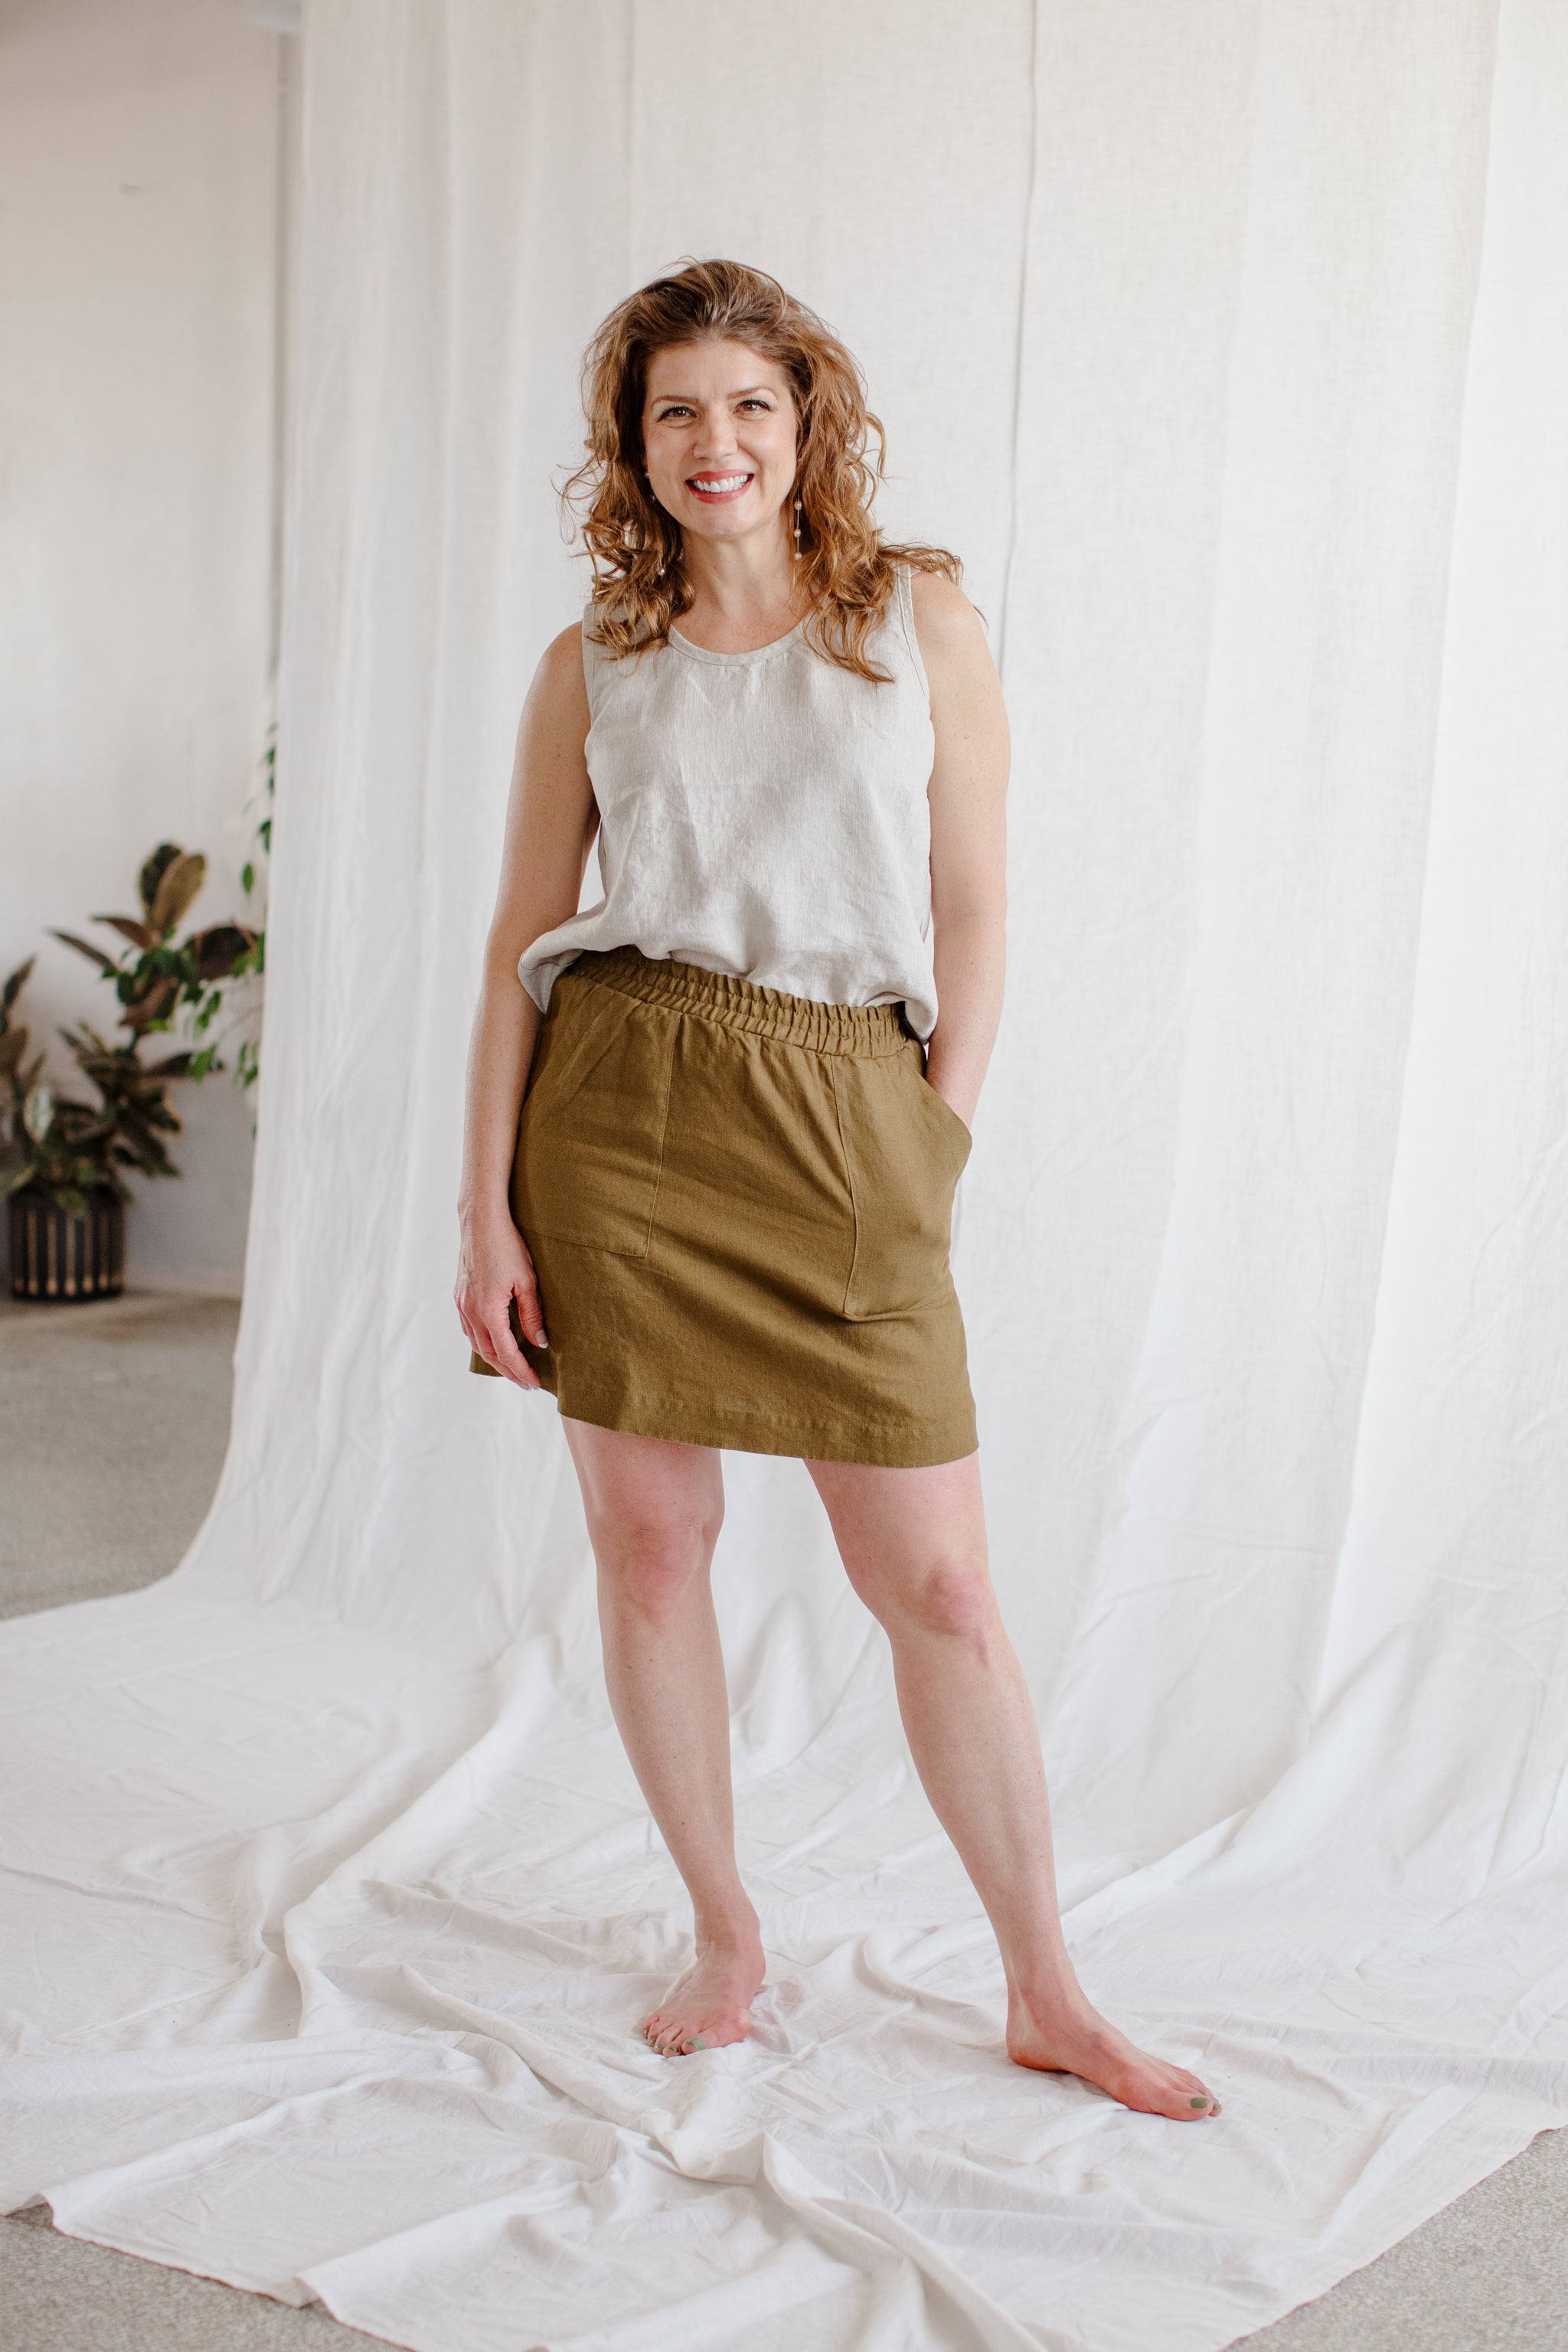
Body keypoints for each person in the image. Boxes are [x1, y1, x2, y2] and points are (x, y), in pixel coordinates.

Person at [456, 259, 1218, 2121]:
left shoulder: (915, 619)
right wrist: (485, 1214)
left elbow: (975, 912)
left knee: (938, 1585)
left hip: (845, 1111)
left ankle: (1046, 1986)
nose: (712, 442)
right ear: (632, 445)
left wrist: (930, 1137)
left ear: (807, 428)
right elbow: (514, 945)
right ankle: (725, 1937)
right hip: (623, 1121)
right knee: (652, 1552)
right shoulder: (590, 662)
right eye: (674, 412)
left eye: (748, 405)